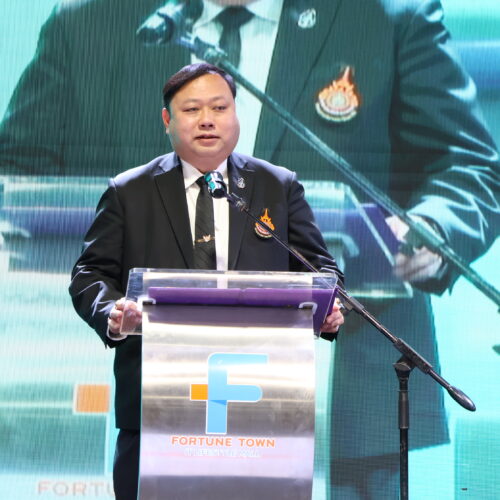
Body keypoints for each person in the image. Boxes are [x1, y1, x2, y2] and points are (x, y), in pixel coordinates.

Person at [2, 1, 499, 498]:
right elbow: (16, 178)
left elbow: (470, 168)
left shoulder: (386, 16)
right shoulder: (90, 24)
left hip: (345, 412)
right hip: (133, 392)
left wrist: (435, 226)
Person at [69, 62, 345, 500]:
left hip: (262, 404)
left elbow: (320, 270)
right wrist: (113, 313)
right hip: (154, 401)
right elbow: (90, 273)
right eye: (192, 109)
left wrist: (328, 307)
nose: (207, 120)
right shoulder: (129, 191)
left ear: (236, 114)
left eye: (219, 107)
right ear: (167, 119)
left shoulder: (277, 187)